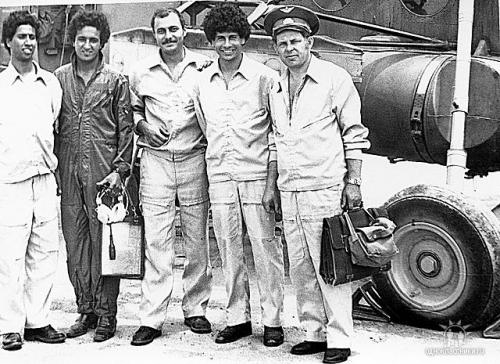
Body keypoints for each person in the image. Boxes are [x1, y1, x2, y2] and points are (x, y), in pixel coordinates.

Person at [264, 5, 370, 363]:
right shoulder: (276, 84)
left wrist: (353, 181)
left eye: (295, 41)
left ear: (310, 42)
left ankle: (339, 338)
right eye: (282, 43)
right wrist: (273, 186)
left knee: (331, 264)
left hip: (324, 186)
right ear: (275, 48)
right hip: (290, 188)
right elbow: (275, 139)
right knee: (301, 265)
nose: (289, 48)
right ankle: (313, 331)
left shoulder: (334, 78)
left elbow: (353, 134)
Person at [194, 3, 285, 346]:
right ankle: (238, 318)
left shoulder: (265, 77)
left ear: (244, 39)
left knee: (265, 249)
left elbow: (276, 131)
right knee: (228, 249)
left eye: (233, 37)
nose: (227, 44)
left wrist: (271, 183)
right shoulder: (202, 81)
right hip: (219, 175)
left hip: (257, 176)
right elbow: (206, 127)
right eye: (220, 38)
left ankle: (273, 320)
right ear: (211, 41)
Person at [128, 7, 213, 346]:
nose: (168, 36)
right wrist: (143, 126)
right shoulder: (140, 72)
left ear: (184, 30)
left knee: (196, 241)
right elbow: (133, 110)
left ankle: (195, 309)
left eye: (173, 29)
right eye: (161, 31)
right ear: (154, 35)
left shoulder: (203, 68)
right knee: (157, 242)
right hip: (157, 162)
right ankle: (152, 318)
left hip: (194, 159)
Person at [54, 9, 134, 342]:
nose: (87, 45)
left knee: (107, 245)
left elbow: (127, 130)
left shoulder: (115, 81)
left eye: (94, 40)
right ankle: (84, 310)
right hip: (69, 172)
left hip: (105, 175)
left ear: (102, 43)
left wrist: (120, 170)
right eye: (82, 38)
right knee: (76, 244)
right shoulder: (58, 78)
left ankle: (106, 314)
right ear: (73, 40)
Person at [0, 10, 66, 351]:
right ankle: (9, 326)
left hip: (43, 179)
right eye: (21, 37)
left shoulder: (50, 83)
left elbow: (54, 124)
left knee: (44, 253)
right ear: (7, 42)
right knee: (10, 256)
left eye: (32, 38)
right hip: (9, 181)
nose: (29, 43)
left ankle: (37, 321)